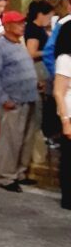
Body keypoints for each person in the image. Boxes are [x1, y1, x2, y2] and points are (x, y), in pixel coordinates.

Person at [0, 11, 40, 192]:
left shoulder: (18, 43)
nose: (22, 25)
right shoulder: (0, 46)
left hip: (29, 98)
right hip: (13, 101)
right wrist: (2, 99)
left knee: (25, 139)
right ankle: (6, 177)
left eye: (23, 22)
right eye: (18, 23)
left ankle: (20, 173)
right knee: (11, 140)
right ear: (7, 26)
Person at [52, 21, 71, 210]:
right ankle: (68, 197)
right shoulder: (65, 59)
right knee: (68, 158)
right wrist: (65, 121)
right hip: (69, 114)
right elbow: (59, 91)